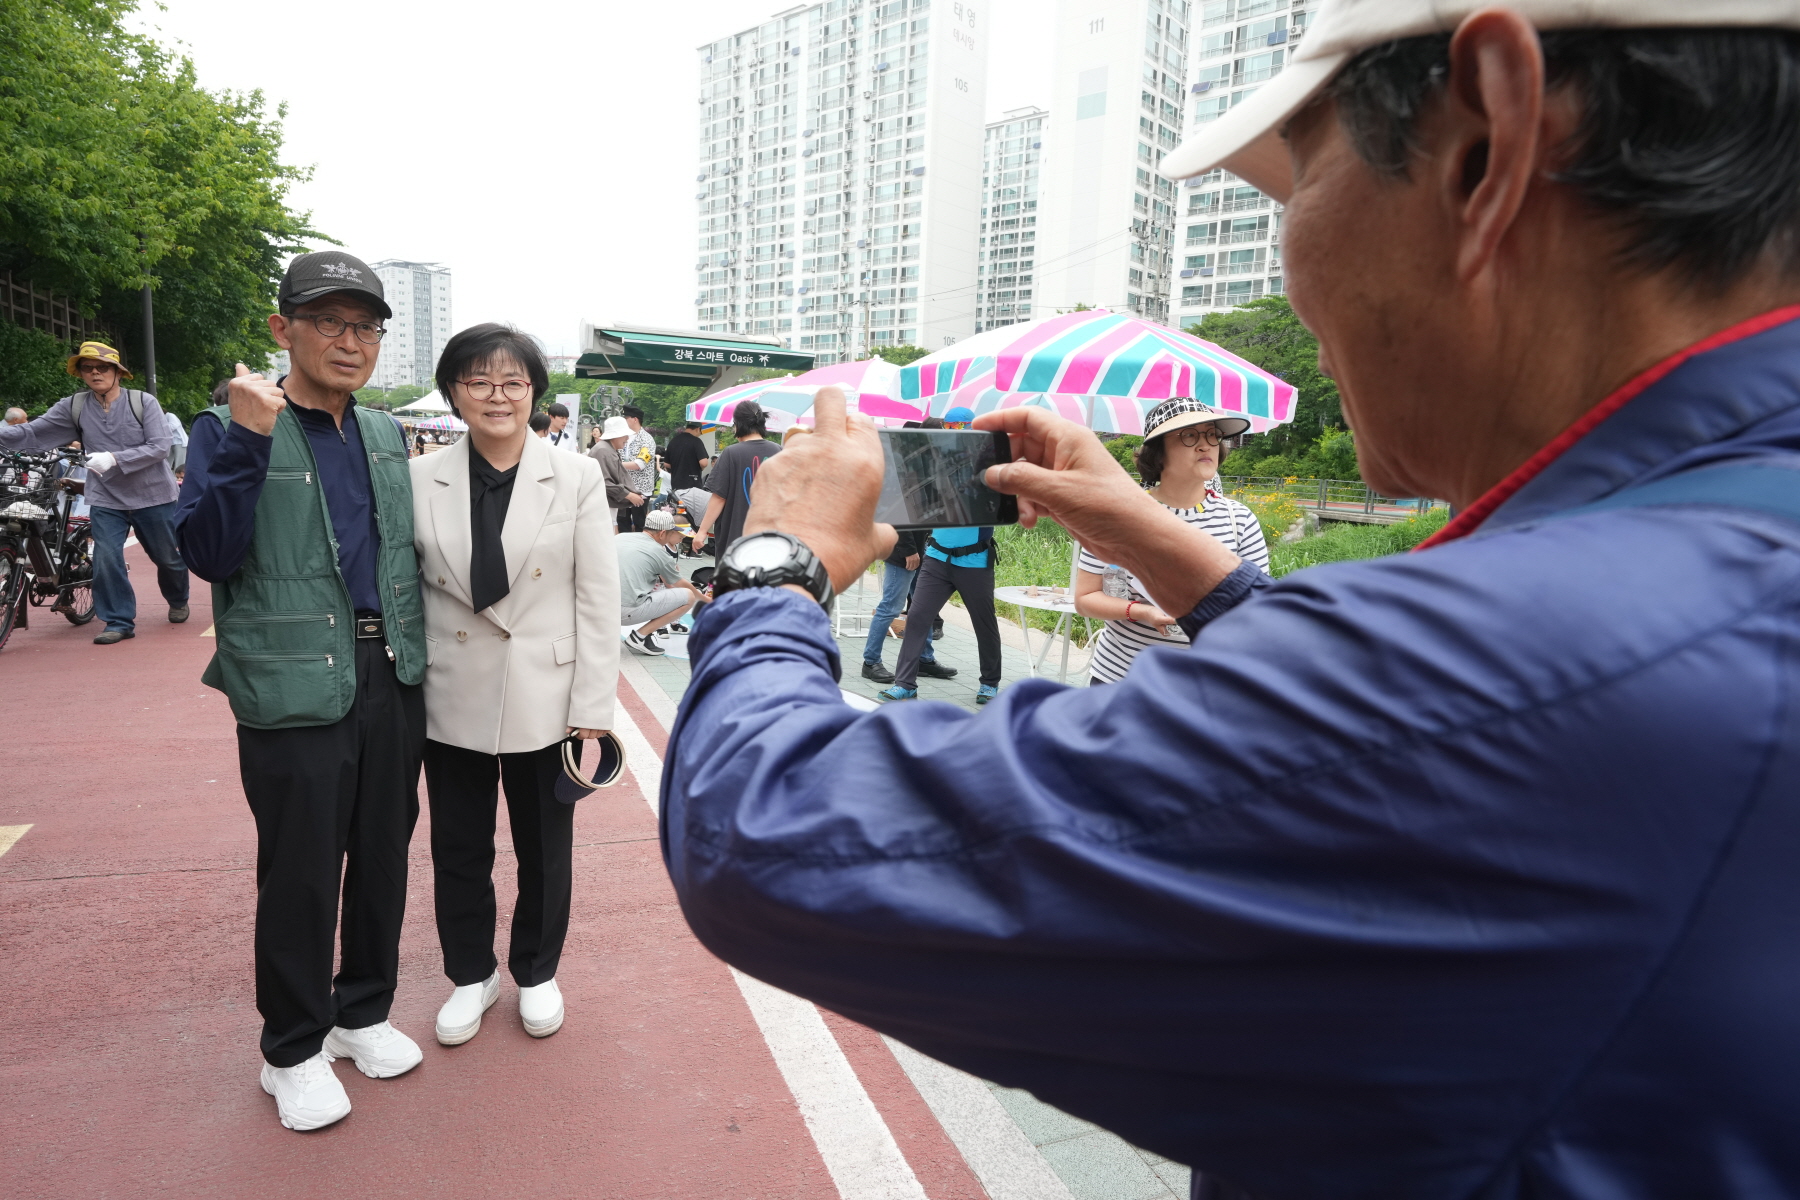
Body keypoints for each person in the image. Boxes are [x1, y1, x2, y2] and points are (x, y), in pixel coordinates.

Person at [659, 7, 1800, 1196]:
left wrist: (777, 557)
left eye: (1299, 177)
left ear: (1486, 145)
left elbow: (766, 834)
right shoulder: (1706, 561)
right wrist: (1149, 533)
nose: (1293, 260)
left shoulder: (1515, 664)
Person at [176, 251, 426, 1133]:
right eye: (328, 322)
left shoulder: (388, 434)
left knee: (384, 852)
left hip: (389, 671)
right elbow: (204, 554)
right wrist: (246, 439)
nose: (349, 342)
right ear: (283, 329)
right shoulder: (228, 426)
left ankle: (361, 1011)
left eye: (364, 326)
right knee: (302, 868)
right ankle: (290, 1048)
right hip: (290, 680)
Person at [409, 323, 618, 1048]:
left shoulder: (578, 475)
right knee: (458, 846)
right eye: (478, 381)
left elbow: (598, 597)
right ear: (454, 392)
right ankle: (472, 973)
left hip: (547, 692)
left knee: (543, 845)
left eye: (513, 382)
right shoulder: (419, 477)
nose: (497, 396)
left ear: (535, 392)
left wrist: (593, 704)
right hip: (450, 689)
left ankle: (536, 970)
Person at [0, 339, 188, 643]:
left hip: (153, 495)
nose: (95, 373)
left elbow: (158, 447)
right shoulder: (73, 406)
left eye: (102, 367)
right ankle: (118, 621)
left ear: (117, 372)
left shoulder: (143, 402)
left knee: (167, 558)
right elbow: (34, 432)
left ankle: (178, 598)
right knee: (106, 557)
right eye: (88, 368)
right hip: (106, 496)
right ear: (81, 373)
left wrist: (114, 457)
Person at [1076, 399, 1268, 685]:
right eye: (1190, 435)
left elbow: (1260, 609)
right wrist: (1143, 612)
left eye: (1212, 434)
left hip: (1204, 687)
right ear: (1158, 453)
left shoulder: (1239, 520)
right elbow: (1085, 598)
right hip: (1121, 681)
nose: (1206, 445)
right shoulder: (1120, 516)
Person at [878, 520, 994, 704]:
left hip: (975, 561)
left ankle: (989, 683)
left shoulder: (985, 490)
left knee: (984, 623)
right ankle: (905, 684)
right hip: (936, 559)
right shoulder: (938, 489)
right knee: (916, 618)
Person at [692, 401, 779, 560]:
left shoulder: (731, 453)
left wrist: (702, 531)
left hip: (736, 539)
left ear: (738, 425)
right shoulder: (779, 451)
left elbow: (719, 497)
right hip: (771, 539)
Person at [860, 529, 945, 684]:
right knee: (890, 608)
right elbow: (898, 519)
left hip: (923, 549)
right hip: (903, 553)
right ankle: (870, 662)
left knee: (925, 607)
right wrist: (909, 550)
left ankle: (924, 660)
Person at [618, 509, 703, 656]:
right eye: (671, 533)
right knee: (688, 596)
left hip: (598, 606)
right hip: (624, 612)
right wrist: (706, 599)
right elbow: (677, 584)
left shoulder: (621, 537)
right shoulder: (658, 551)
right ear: (662, 533)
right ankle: (639, 637)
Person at [615, 405, 657, 533]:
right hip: (624, 488)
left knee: (640, 524)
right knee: (622, 522)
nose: (624, 421)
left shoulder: (647, 439)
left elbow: (640, 463)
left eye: (626, 418)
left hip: (640, 489)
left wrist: (615, 464)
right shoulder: (623, 436)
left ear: (635, 419)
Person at [589, 416, 642, 515]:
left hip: (606, 503)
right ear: (616, 435)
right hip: (602, 505)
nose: (627, 438)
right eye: (625, 435)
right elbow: (603, 482)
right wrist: (628, 495)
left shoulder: (607, 449)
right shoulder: (603, 450)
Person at [662, 418, 711, 492]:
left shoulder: (673, 441)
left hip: (676, 485)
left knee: (679, 503)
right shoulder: (696, 441)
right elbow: (704, 463)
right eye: (700, 432)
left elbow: (666, 464)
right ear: (698, 429)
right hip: (693, 485)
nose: (699, 435)